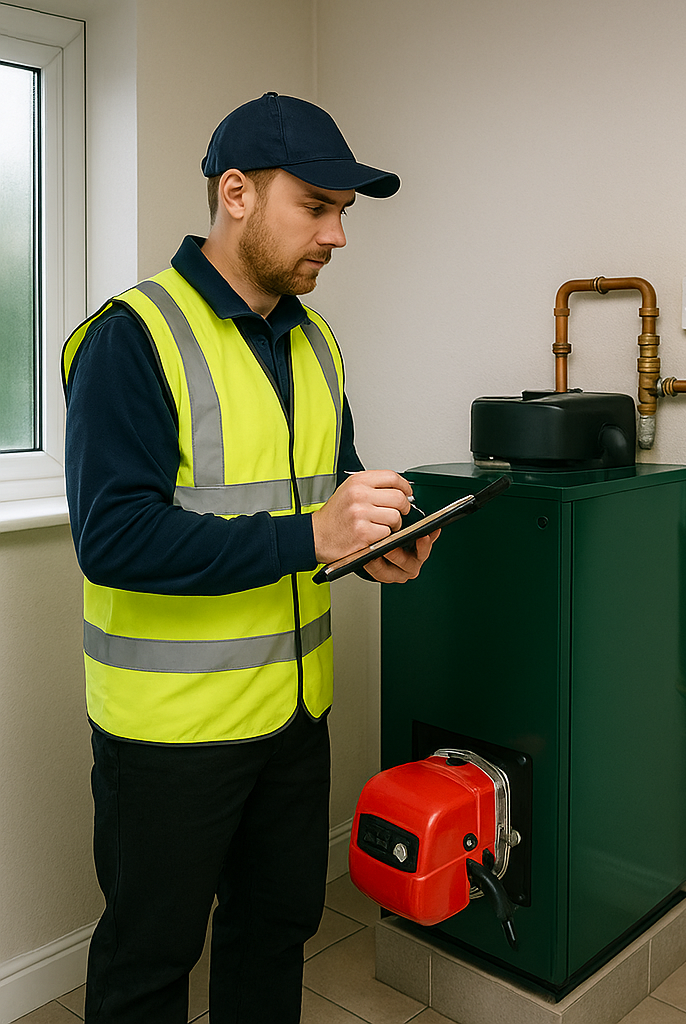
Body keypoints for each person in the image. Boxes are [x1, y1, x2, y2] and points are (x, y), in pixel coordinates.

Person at [62, 93, 437, 1023]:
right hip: (171, 735)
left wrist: (379, 537)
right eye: (317, 206)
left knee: (274, 938)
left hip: (293, 719)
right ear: (236, 194)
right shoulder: (132, 338)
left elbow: (326, 490)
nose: (338, 234)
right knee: (148, 963)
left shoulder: (317, 346)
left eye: (344, 212)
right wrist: (313, 536)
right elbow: (113, 537)